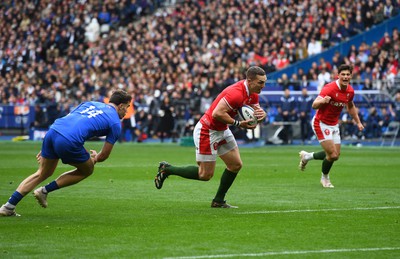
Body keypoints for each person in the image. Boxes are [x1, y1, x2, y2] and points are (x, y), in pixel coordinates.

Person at [0, 89, 132, 216]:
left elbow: (69, 119)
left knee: (42, 173)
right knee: (87, 170)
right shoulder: (115, 123)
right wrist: (95, 158)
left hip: (53, 131)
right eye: (127, 107)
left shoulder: (89, 103)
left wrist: (48, 145)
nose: (127, 111)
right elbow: (103, 155)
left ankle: (8, 207)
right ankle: (44, 191)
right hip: (69, 140)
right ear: (120, 106)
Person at [154, 66, 267, 208]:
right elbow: (217, 113)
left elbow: (255, 116)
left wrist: (263, 115)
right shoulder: (236, 93)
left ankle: (218, 201)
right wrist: (238, 123)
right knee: (205, 175)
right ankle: (167, 168)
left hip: (222, 129)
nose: (263, 86)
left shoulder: (254, 93)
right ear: (249, 81)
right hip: (207, 130)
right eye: (260, 82)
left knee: (235, 165)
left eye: (264, 82)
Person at [298, 64, 364, 188]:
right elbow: (314, 104)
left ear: (351, 76)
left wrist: (358, 122)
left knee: (335, 156)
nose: (345, 77)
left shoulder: (350, 91)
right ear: (337, 76)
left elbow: (350, 106)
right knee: (332, 155)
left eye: (347, 74)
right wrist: (322, 101)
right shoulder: (329, 88)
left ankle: (307, 156)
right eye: (343, 74)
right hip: (321, 123)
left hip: (334, 124)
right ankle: (325, 179)